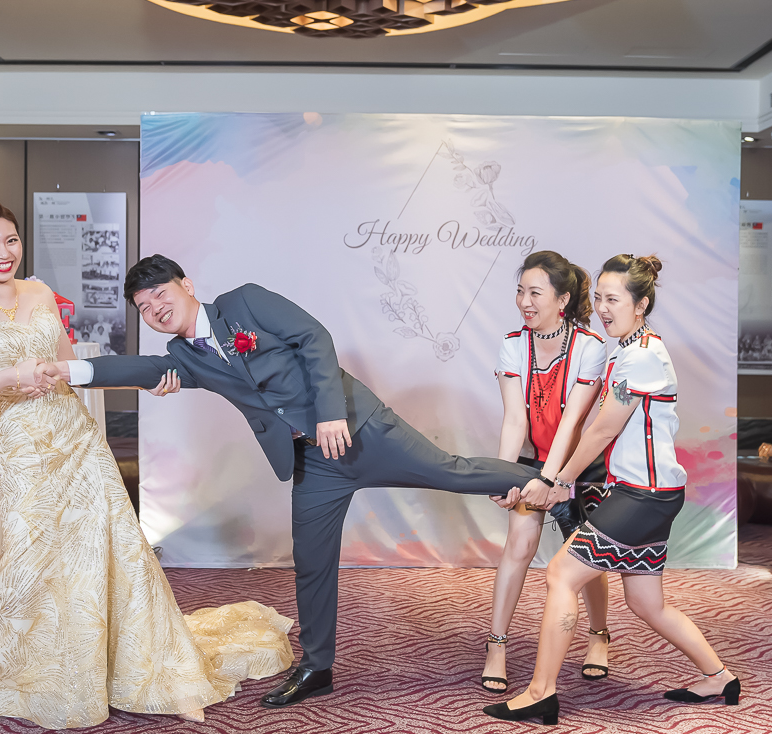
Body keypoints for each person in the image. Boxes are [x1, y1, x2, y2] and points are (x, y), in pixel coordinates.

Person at [35, 255, 546, 708]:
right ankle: (317, 668)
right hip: (314, 462)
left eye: (160, 294)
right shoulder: (185, 356)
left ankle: (555, 485)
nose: (156, 309)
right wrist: (67, 370)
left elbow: (314, 338)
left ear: (186, 285)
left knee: (453, 472)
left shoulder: (244, 303)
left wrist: (331, 414)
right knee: (312, 563)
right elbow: (143, 368)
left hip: (360, 430)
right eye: (144, 308)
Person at [0, 201, 293, 730]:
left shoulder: (39, 293)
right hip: (23, 450)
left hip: (76, 439)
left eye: (11, 240)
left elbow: (73, 367)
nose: (4, 253)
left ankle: (159, 671)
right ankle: (0, 676)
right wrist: (6, 379)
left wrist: (151, 380)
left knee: (117, 548)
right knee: (31, 560)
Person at [483, 254, 741, 726]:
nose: (602, 308)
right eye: (599, 298)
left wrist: (557, 482)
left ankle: (541, 692)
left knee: (561, 575)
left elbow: (602, 430)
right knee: (646, 603)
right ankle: (719, 677)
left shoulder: (640, 357)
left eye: (614, 300)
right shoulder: (631, 349)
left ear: (640, 305)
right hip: (648, 491)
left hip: (643, 496)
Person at [481, 251, 612, 695]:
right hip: (533, 459)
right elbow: (514, 419)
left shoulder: (590, 347)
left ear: (563, 299)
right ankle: (496, 645)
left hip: (578, 466)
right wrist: (502, 476)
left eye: (535, 293)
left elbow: (573, 422)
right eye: (520, 291)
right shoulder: (512, 344)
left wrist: (551, 481)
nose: (524, 302)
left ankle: (598, 637)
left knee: (586, 555)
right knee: (519, 545)